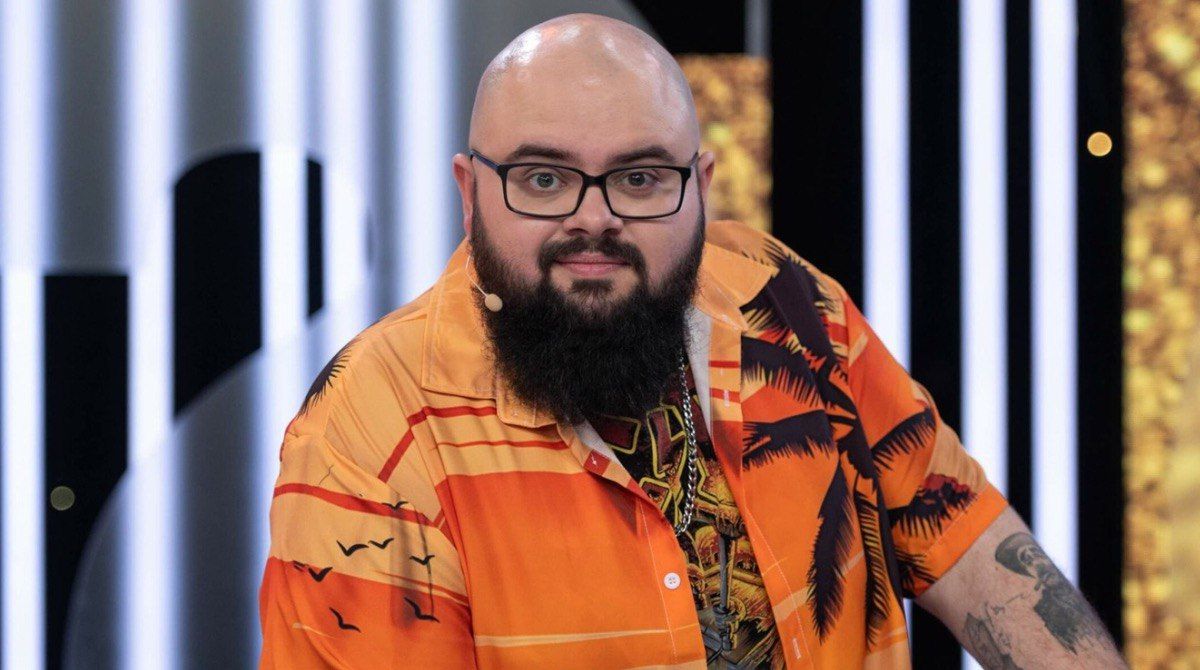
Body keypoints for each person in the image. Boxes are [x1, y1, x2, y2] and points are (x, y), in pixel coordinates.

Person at [257, 13, 1126, 669]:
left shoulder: (786, 304)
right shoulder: (368, 435)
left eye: (640, 178)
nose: (593, 220)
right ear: (470, 192)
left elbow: (979, 554)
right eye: (544, 178)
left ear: (701, 189)